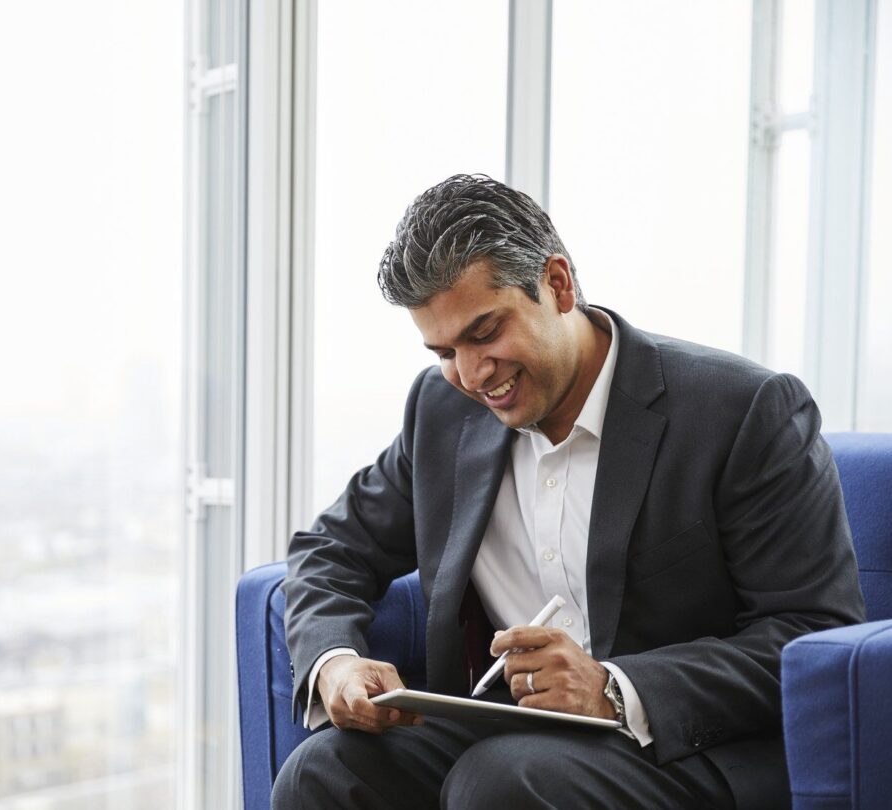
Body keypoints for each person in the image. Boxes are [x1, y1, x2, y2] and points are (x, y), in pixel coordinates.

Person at [273, 174, 865, 809]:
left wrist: (613, 686)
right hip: (511, 735)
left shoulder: (743, 410)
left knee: (501, 781)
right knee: (326, 771)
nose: (471, 375)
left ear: (557, 284)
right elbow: (331, 548)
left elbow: (810, 633)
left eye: (484, 332)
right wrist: (333, 658)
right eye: (444, 350)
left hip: (684, 747)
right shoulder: (442, 411)